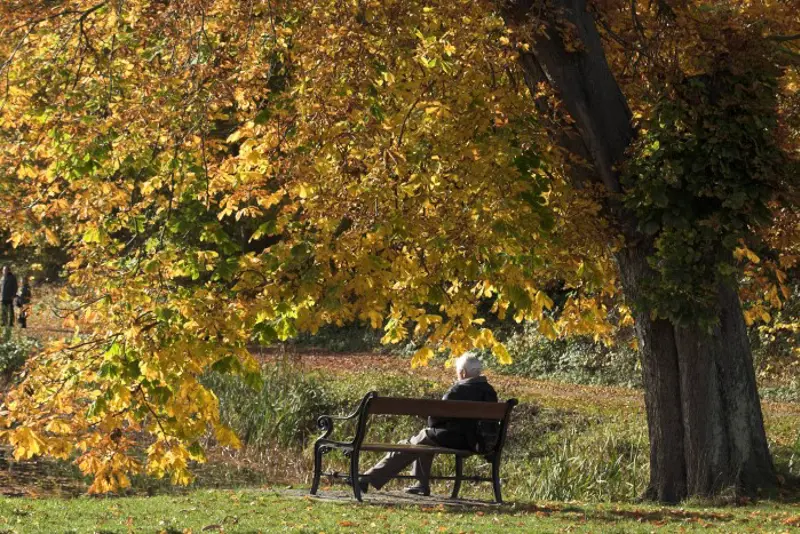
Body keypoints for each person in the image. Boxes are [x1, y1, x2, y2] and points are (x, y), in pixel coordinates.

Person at [359, 352, 498, 496]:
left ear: (462, 373)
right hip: (479, 442)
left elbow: (434, 421)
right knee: (423, 440)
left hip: (456, 439)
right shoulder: (490, 391)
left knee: (414, 442)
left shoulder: (458, 390)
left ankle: (367, 478)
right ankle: (420, 484)